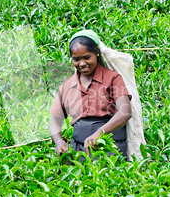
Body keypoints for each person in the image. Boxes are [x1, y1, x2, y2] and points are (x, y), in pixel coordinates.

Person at [49, 30, 133, 158]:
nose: (82, 63)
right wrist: (59, 141)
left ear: (97, 54)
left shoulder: (112, 78)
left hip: (111, 149)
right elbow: (55, 121)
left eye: (87, 57)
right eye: (76, 59)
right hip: (79, 152)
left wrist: (101, 132)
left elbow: (125, 112)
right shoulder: (67, 86)